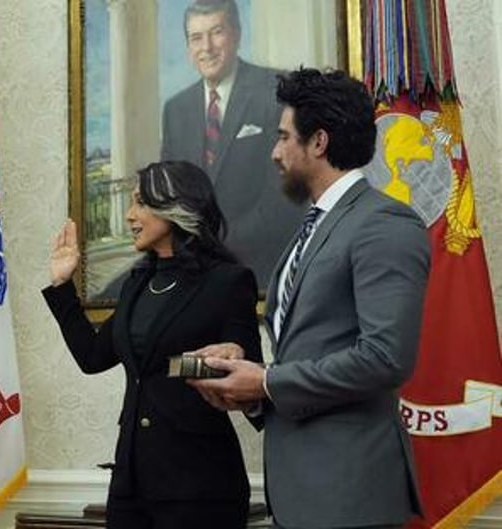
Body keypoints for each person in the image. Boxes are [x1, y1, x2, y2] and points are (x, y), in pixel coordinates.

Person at [190, 68, 431, 528]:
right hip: (301, 494)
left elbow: (385, 357)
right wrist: (251, 385)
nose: (275, 153)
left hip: (349, 497)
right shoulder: (314, 225)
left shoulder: (383, 224)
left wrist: (265, 383)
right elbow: (309, 349)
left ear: (318, 142)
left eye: (283, 138)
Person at [43, 160, 262, 528]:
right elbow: (92, 357)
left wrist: (231, 358)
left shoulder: (228, 282)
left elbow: (249, 373)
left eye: (140, 203)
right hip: (131, 485)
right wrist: (62, 284)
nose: (129, 215)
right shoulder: (137, 283)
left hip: (200, 487)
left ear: (175, 208)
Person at [160, 0, 305, 290]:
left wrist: (215, 246)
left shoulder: (277, 89)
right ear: (188, 46)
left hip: (263, 268)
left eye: (217, 32)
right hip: (194, 271)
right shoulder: (176, 109)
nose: (207, 47)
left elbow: (286, 193)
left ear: (237, 34)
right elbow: (169, 194)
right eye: (196, 38)